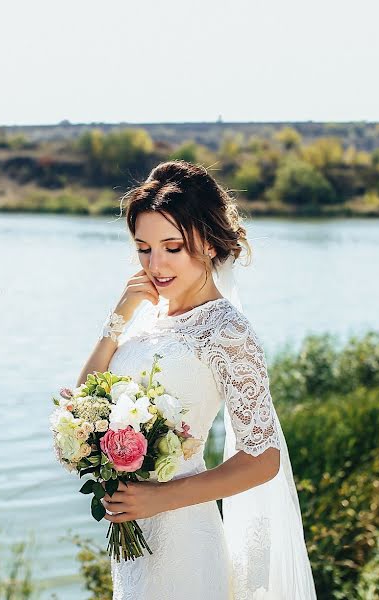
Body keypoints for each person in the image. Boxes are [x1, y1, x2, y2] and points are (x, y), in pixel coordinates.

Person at [75, 160, 317, 599]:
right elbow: (83, 401)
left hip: (185, 537)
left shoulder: (228, 331)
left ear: (206, 243)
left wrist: (161, 498)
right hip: (134, 540)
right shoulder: (149, 314)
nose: (156, 264)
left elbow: (263, 460)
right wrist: (119, 316)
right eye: (144, 248)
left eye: (172, 247)